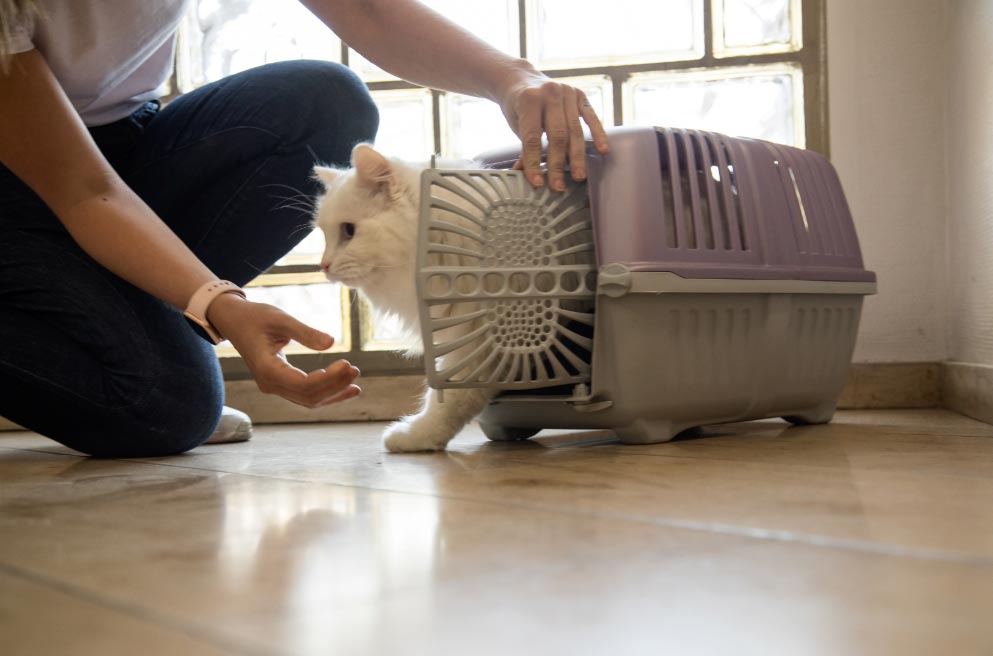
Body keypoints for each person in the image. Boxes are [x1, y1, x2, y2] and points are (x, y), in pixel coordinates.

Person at [0, 0, 609, 458]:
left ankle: (137, 332)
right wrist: (222, 305)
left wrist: (514, 77)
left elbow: (364, 8)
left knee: (325, 103)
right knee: (165, 406)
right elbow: (85, 191)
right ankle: (137, 351)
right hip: (27, 177)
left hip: (123, 136)